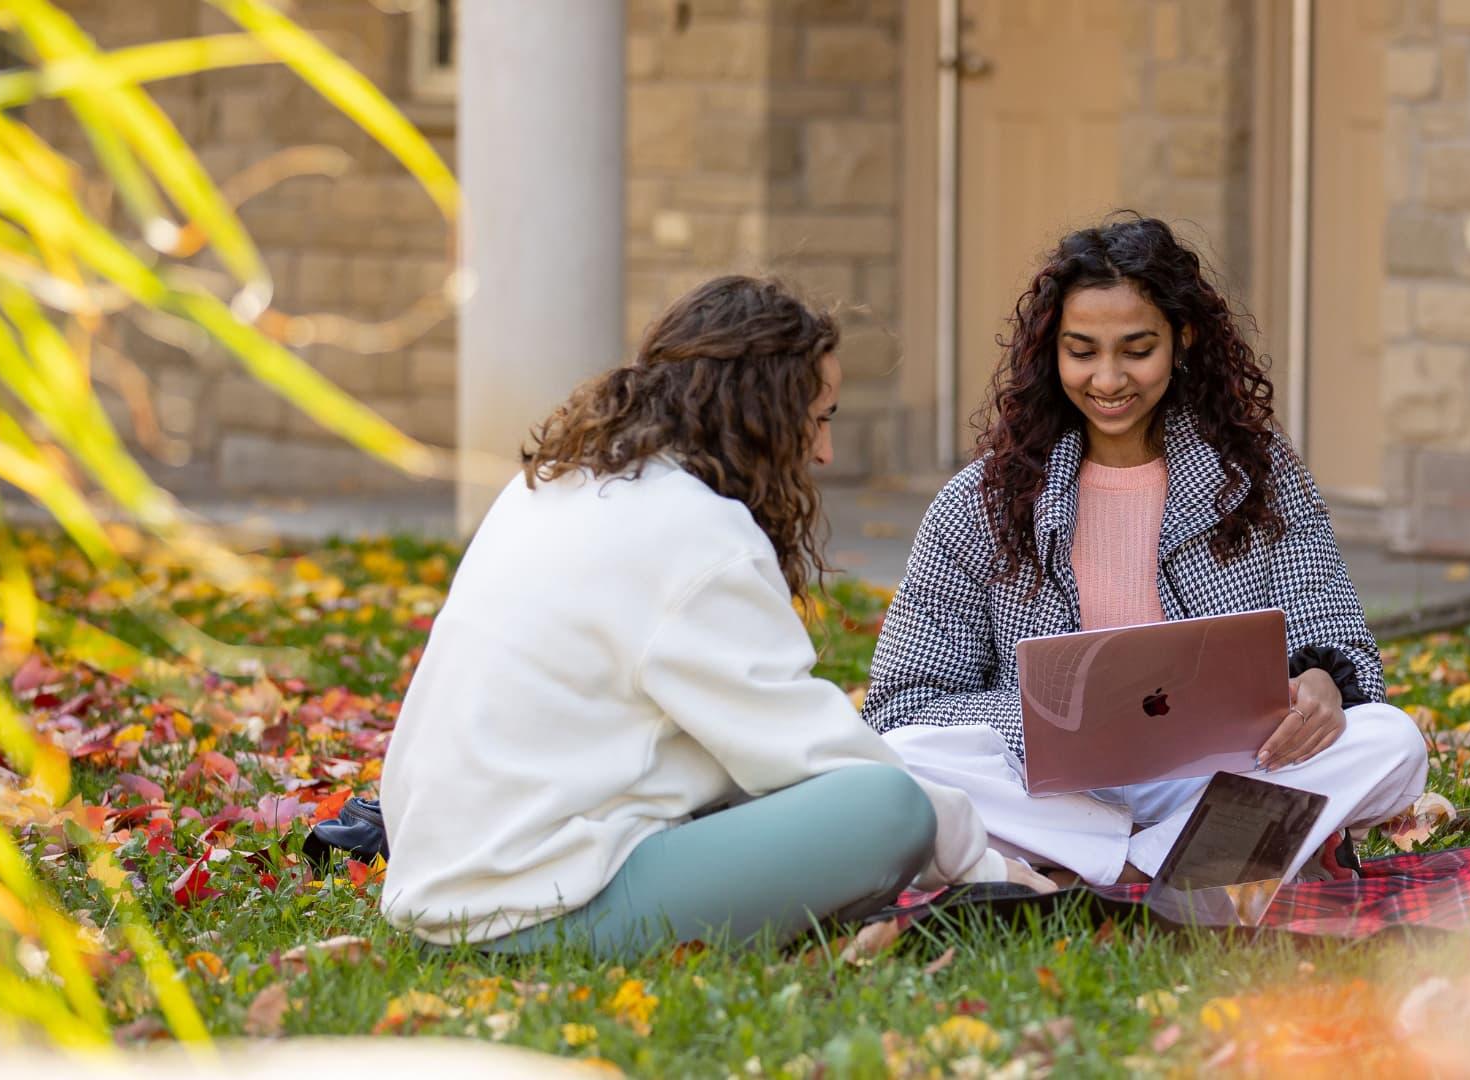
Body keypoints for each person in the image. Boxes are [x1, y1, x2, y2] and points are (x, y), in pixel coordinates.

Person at [380, 276, 1048, 958]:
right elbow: (816, 757)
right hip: (532, 914)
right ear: (760, 414)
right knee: (889, 809)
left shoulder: (556, 483)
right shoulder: (694, 532)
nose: (825, 453)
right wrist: (991, 867)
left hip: (444, 889)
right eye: (819, 419)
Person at [862, 216, 1431, 886]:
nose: (1108, 380)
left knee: (1393, 742)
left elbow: (1338, 644)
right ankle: (1177, 864)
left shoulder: (1258, 475)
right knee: (903, 758)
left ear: (1181, 340)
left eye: (1136, 350)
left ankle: (1116, 868)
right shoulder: (981, 501)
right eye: (1082, 352)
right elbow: (902, 704)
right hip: (1053, 791)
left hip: (1210, 778)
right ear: (1052, 352)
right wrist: (1055, 727)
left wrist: (1321, 686)